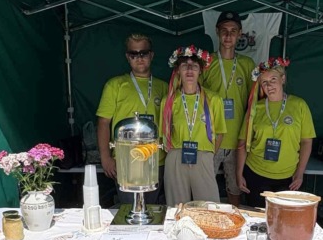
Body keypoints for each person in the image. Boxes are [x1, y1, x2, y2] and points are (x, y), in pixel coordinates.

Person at [96, 34, 168, 205]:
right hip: (126, 160)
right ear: (128, 57)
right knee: (130, 209)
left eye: (143, 53)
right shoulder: (115, 85)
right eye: (134, 54)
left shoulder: (163, 87)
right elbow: (103, 122)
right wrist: (105, 157)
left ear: (151, 55)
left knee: (152, 208)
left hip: (156, 159)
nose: (139, 58)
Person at [236, 58, 316, 207]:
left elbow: (306, 141)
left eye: (273, 79)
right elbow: (242, 142)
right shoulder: (255, 108)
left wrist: (299, 173)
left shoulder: (299, 105)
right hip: (256, 173)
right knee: (257, 217)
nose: (269, 85)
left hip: (288, 177)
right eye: (264, 82)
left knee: (283, 217)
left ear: (282, 79)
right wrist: (239, 174)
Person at [200, 11, 255, 207]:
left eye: (233, 31)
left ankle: (233, 220)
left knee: (235, 189)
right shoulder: (206, 62)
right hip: (210, 138)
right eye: (224, 30)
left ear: (240, 34)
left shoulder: (247, 64)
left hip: (237, 140)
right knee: (204, 188)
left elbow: (253, 103)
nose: (228, 35)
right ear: (217, 32)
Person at [160, 45, 227, 206]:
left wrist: (208, 154)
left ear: (200, 70)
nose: (189, 70)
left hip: (203, 155)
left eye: (194, 66)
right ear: (178, 70)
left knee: (208, 207)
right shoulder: (169, 101)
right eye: (185, 65)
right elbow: (164, 133)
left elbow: (220, 133)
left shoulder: (214, 99)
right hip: (176, 155)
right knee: (176, 207)